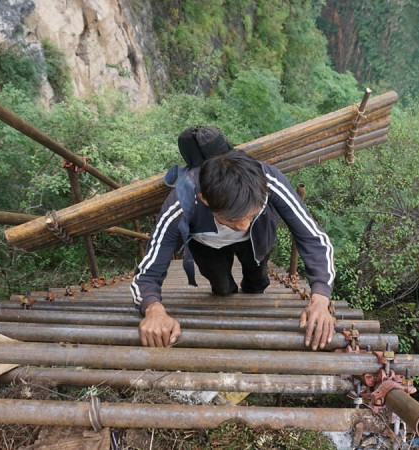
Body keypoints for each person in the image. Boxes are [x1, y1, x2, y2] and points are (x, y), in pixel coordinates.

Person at [130, 126, 335, 350]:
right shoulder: (182, 202)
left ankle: (254, 290)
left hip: (257, 239)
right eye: (233, 220)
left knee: (257, 282)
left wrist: (320, 298)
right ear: (204, 200)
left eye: (251, 215)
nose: (243, 226)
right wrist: (153, 309)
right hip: (207, 243)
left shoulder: (268, 181)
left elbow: (314, 238)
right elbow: (147, 272)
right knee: (222, 288)